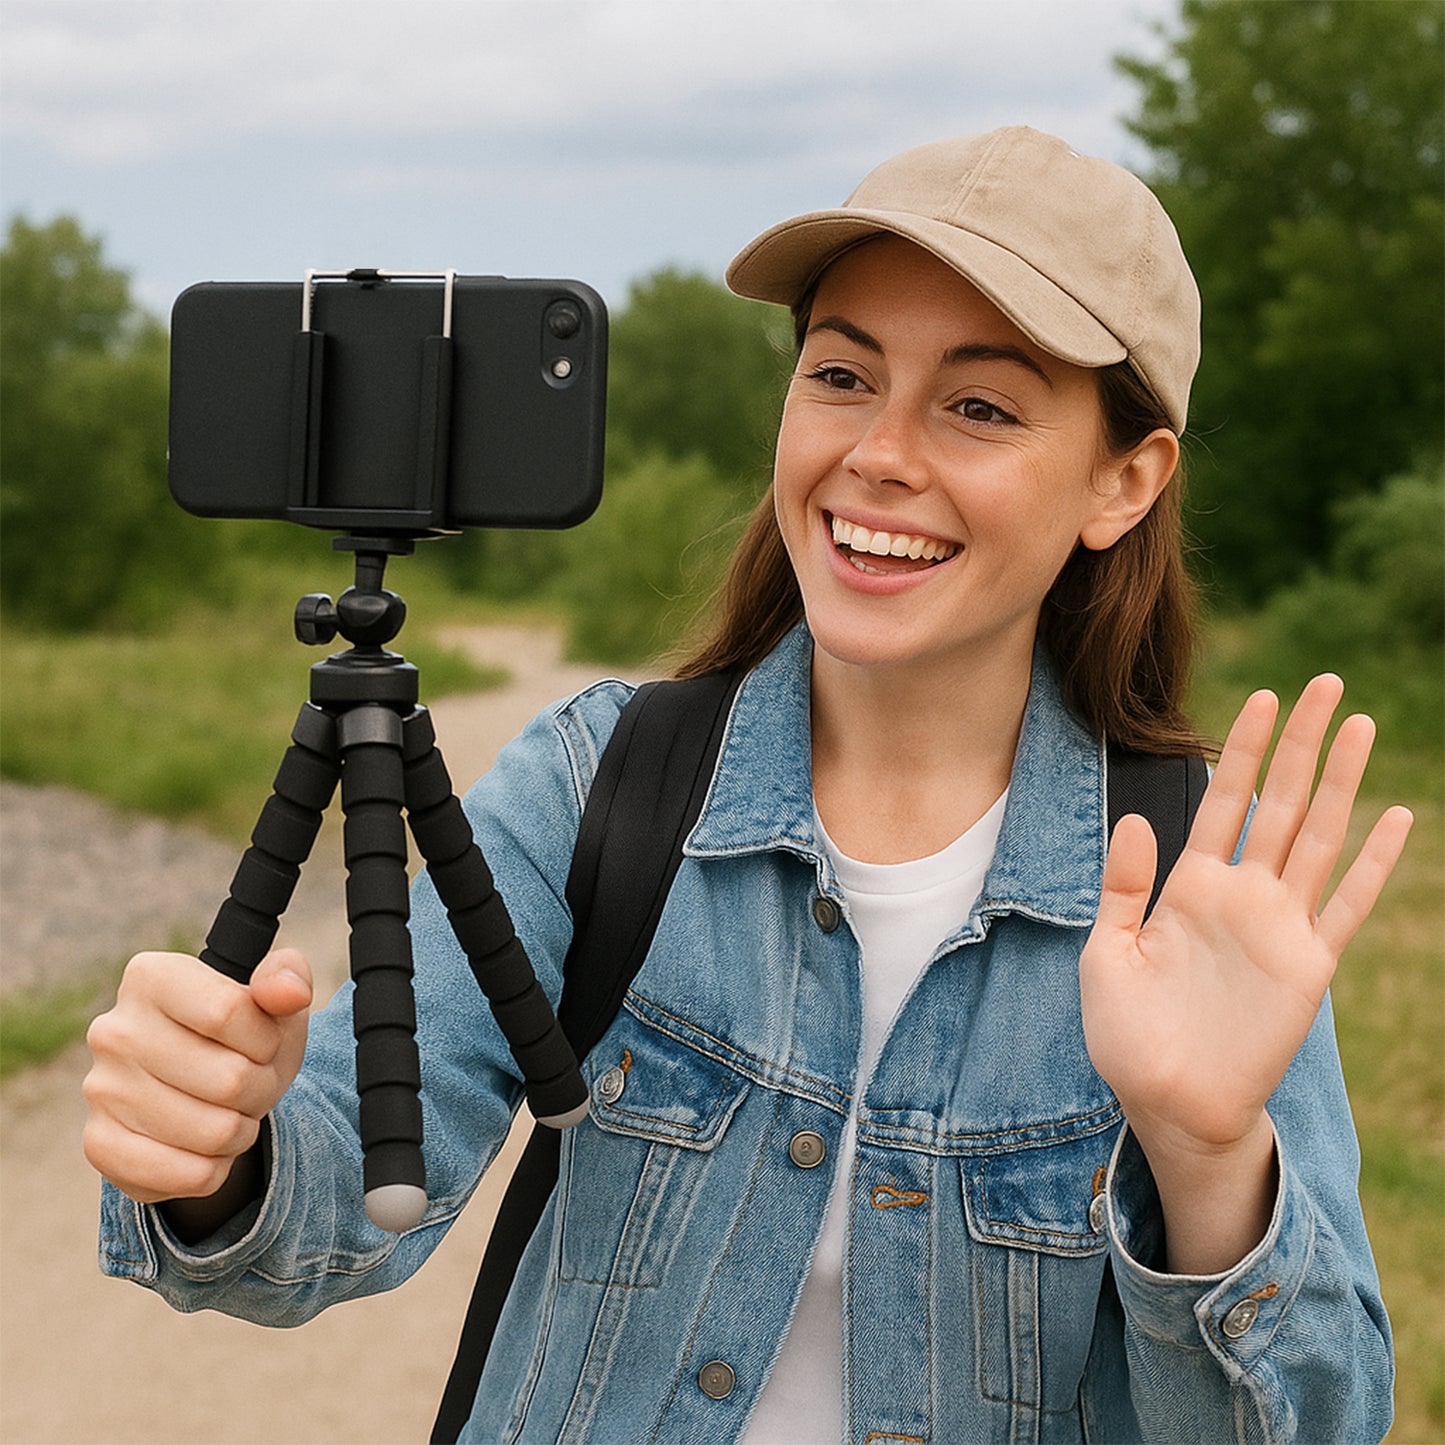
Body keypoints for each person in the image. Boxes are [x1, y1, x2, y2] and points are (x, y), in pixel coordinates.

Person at [84, 127, 1413, 1443]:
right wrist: (220, 1147)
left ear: (1122, 481)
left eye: (979, 404)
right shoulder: (598, 783)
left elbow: (1312, 1423)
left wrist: (1205, 1165)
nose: (878, 452)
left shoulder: (1196, 883)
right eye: (843, 374)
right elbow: (330, 1209)